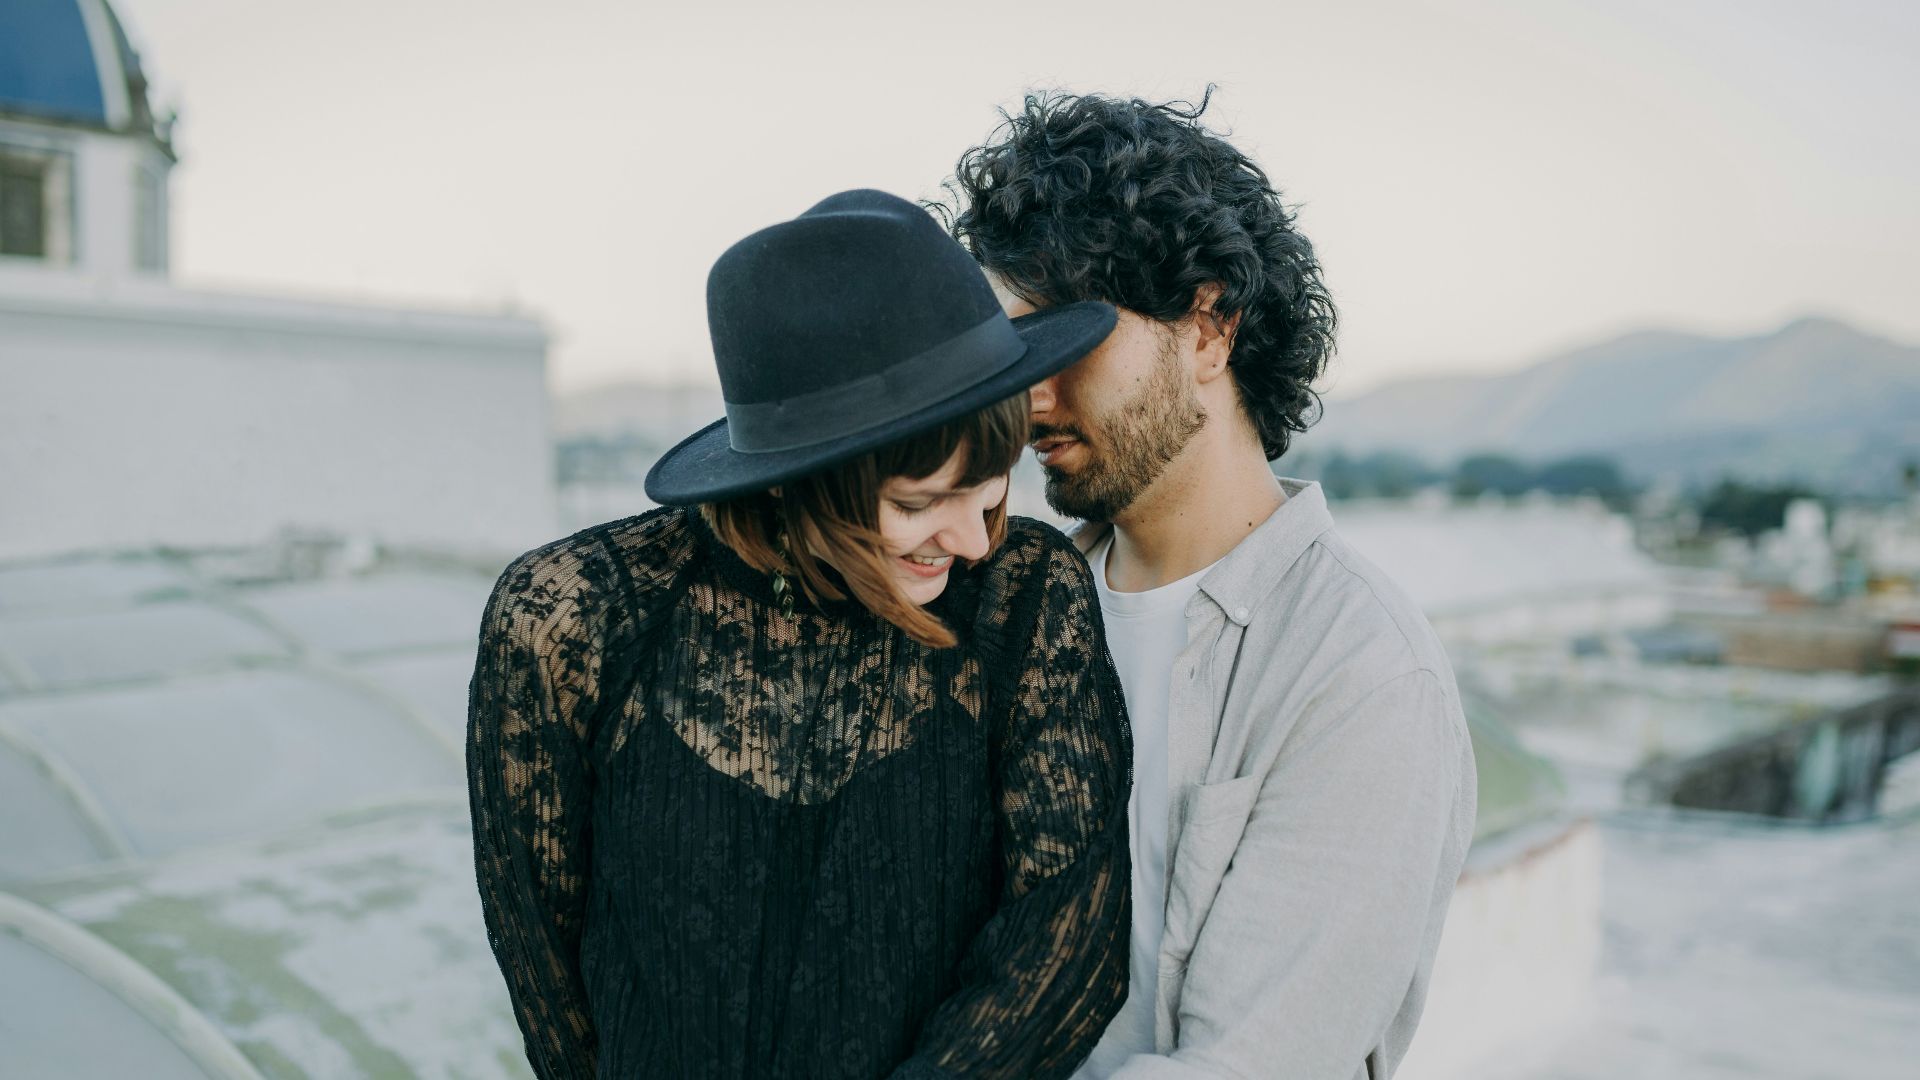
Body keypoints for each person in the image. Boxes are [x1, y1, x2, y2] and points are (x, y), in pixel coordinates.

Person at [466, 188, 1134, 1080]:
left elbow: (1069, 943)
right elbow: (548, 982)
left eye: (992, 491)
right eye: (919, 503)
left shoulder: (1025, 597)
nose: (975, 542)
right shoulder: (569, 620)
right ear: (796, 480)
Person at [945, 92, 1479, 1079]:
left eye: (1069, 342)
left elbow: (1244, 1066)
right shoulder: (993, 603)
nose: (1033, 395)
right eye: (1014, 352)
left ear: (1209, 328)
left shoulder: (1360, 676)